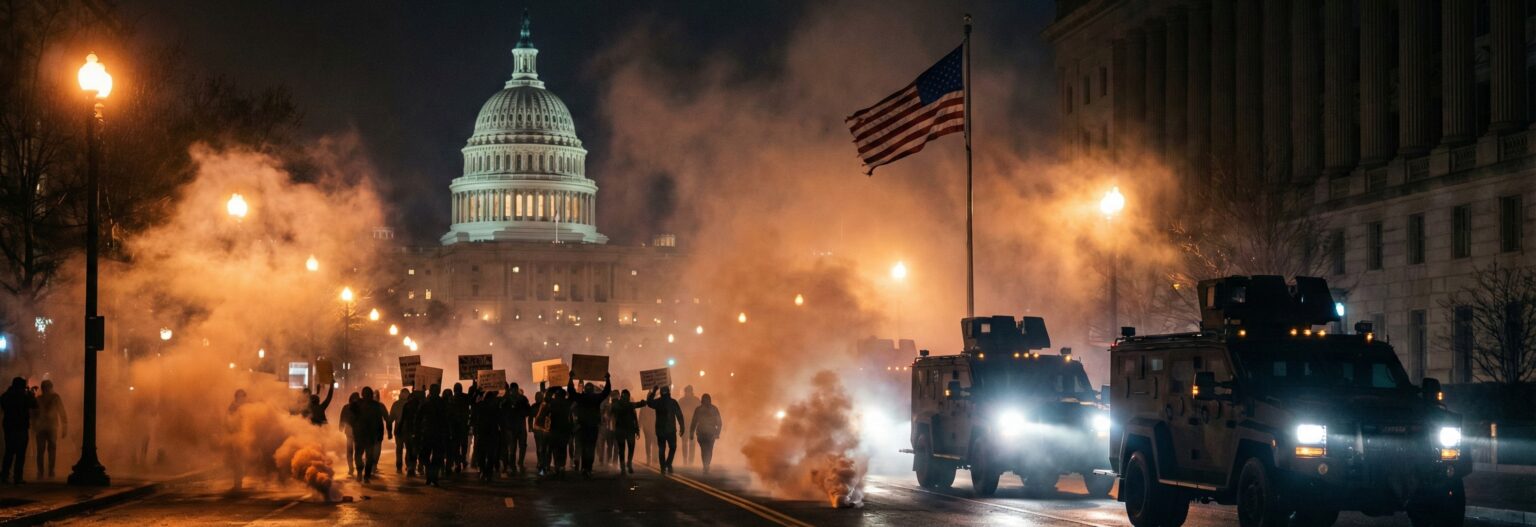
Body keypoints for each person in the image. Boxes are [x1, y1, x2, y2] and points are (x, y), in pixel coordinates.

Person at [567, 375, 611, 478]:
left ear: (585, 390)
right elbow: (606, 392)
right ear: (593, 390)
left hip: (582, 427)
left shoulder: (581, 398)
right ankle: (589, 468)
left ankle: (584, 468)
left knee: (583, 448)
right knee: (590, 448)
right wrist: (608, 379)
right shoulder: (596, 398)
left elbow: (571, 391)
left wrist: (570, 378)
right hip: (593, 427)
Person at [1, 377, 38, 484]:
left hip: (9, 427)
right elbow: (35, 405)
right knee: (20, 453)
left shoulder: (6, 395)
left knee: (9, 452)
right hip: (21, 427)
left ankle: (5, 476)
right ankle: (18, 477)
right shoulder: (23, 396)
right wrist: (31, 393)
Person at [642, 386, 685, 474]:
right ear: (669, 392)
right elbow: (679, 415)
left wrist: (653, 391)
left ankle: (663, 467)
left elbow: (649, 403)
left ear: (661, 393)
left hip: (660, 430)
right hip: (671, 430)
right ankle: (668, 464)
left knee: (662, 449)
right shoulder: (673, 402)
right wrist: (682, 426)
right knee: (672, 448)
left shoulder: (658, 402)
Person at [351, 387, 388, 483]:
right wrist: (380, 433)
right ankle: (364, 474)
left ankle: (362, 473)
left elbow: (379, 421)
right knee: (367, 456)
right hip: (368, 435)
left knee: (361, 455)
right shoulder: (373, 405)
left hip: (363, 435)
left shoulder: (361, 404)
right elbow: (379, 421)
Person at [534, 385, 571, 478]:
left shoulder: (552, 403)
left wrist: (551, 389)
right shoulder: (567, 403)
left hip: (553, 430)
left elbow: (544, 409)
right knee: (561, 449)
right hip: (563, 430)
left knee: (551, 449)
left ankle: (550, 468)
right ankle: (560, 467)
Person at [415, 385, 449, 486]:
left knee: (425, 456)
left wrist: (417, 431)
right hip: (437, 433)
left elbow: (418, 418)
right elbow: (446, 419)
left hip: (428, 433)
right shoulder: (442, 403)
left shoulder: (426, 403)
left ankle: (431, 475)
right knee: (436, 457)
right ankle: (433, 476)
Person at [31, 380, 66, 480]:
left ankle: (47, 471)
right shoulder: (52, 398)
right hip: (46, 427)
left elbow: (61, 411)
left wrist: (65, 426)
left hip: (49, 427)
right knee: (46, 450)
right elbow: (34, 414)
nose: (46, 389)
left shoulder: (52, 398)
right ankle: (45, 471)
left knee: (46, 450)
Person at [472, 390, 502, 481]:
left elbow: (473, 404)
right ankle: (488, 473)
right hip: (491, 433)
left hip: (482, 432)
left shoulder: (480, 405)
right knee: (490, 454)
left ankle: (483, 471)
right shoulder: (495, 407)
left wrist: (477, 391)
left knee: (482, 453)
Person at [689, 393, 723, 474]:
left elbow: (694, 422)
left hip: (703, 433)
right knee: (708, 450)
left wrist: (691, 433)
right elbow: (719, 423)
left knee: (705, 450)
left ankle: (705, 465)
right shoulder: (713, 409)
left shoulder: (699, 409)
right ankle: (706, 465)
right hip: (706, 433)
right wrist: (717, 432)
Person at [500, 384, 530, 475]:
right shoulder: (511, 399)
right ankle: (515, 463)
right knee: (516, 447)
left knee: (518, 446)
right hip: (515, 427)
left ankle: (517, 463)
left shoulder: (520, 399)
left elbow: (528, 411)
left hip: (515, 427)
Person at [610, 389, 641, 474]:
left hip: (623, 430)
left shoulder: (618, 405)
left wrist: (637, 429)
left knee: (623, 449)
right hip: (626, 430)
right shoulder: (627, 405)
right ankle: (626, 465)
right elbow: (635, 416)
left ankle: (625, 466)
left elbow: (634, 417)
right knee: (627, 448)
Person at [227, 389, 249, 490]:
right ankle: (237, 482)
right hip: (236, 437)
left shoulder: (245, 407)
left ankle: (238, 481)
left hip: (244, 436)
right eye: (240, 396)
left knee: (240, 460)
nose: (242, 398)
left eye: (243, 396)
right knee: (237, 461)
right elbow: (229, 422)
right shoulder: (233, 407)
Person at [401, 389, 424, 477]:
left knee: (412, 450)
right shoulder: (416, 405)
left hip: (413, 431)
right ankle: (412, 467)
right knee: (413, 450)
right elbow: (404, 418)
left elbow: (403, 419)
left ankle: (412, 467)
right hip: (412, 431)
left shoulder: (417, 406)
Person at [677, 386, 700, 466]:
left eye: (688, 391)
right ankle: (685, 459)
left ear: (691, 391)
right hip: (684, 425)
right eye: (686, 391)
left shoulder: (696, 400)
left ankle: (690, 461)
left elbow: (700, 413)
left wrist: (698, 423)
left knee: (692, 443)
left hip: (693, 425)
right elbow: (678, 413)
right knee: (684, 443)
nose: (687, 393)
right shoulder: (681, 401)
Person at [339, 392, 361, 476]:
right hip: (353, 432)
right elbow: (342, 418)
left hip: (354, 432)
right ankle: (353, 468)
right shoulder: (349, 407)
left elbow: (342, 418)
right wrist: (341, 427)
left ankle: (352, 468)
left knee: (351, 451)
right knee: (355, 451)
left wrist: (341, 427)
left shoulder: (347, 407)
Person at [530, 388, 549, 476]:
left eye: (538, 396)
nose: (537, 398)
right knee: (541, 447)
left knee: (541, 447)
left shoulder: (543, 406)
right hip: (539, 429)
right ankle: (542, 462)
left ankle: (542, 462)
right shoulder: (541, 406)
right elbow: (530, 417)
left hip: (540, 428)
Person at [389, 388, 409, 473]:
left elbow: (390, 419)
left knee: (399, 448)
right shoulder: (411, 404)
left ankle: (399, 466)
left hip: (399, 430)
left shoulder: (396, 404)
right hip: (407, 430)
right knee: (409, 448)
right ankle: (408, 465)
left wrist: (389, 431)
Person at [638, 401, 656, 465]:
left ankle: (651, 458)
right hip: (650, 427)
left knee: (649, 443)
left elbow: (640, 418)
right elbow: (641, 417)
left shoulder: (645, 407)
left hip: (651, 427)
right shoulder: (655, 405)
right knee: (652, 442)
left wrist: (639, 427)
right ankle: (651, 458)